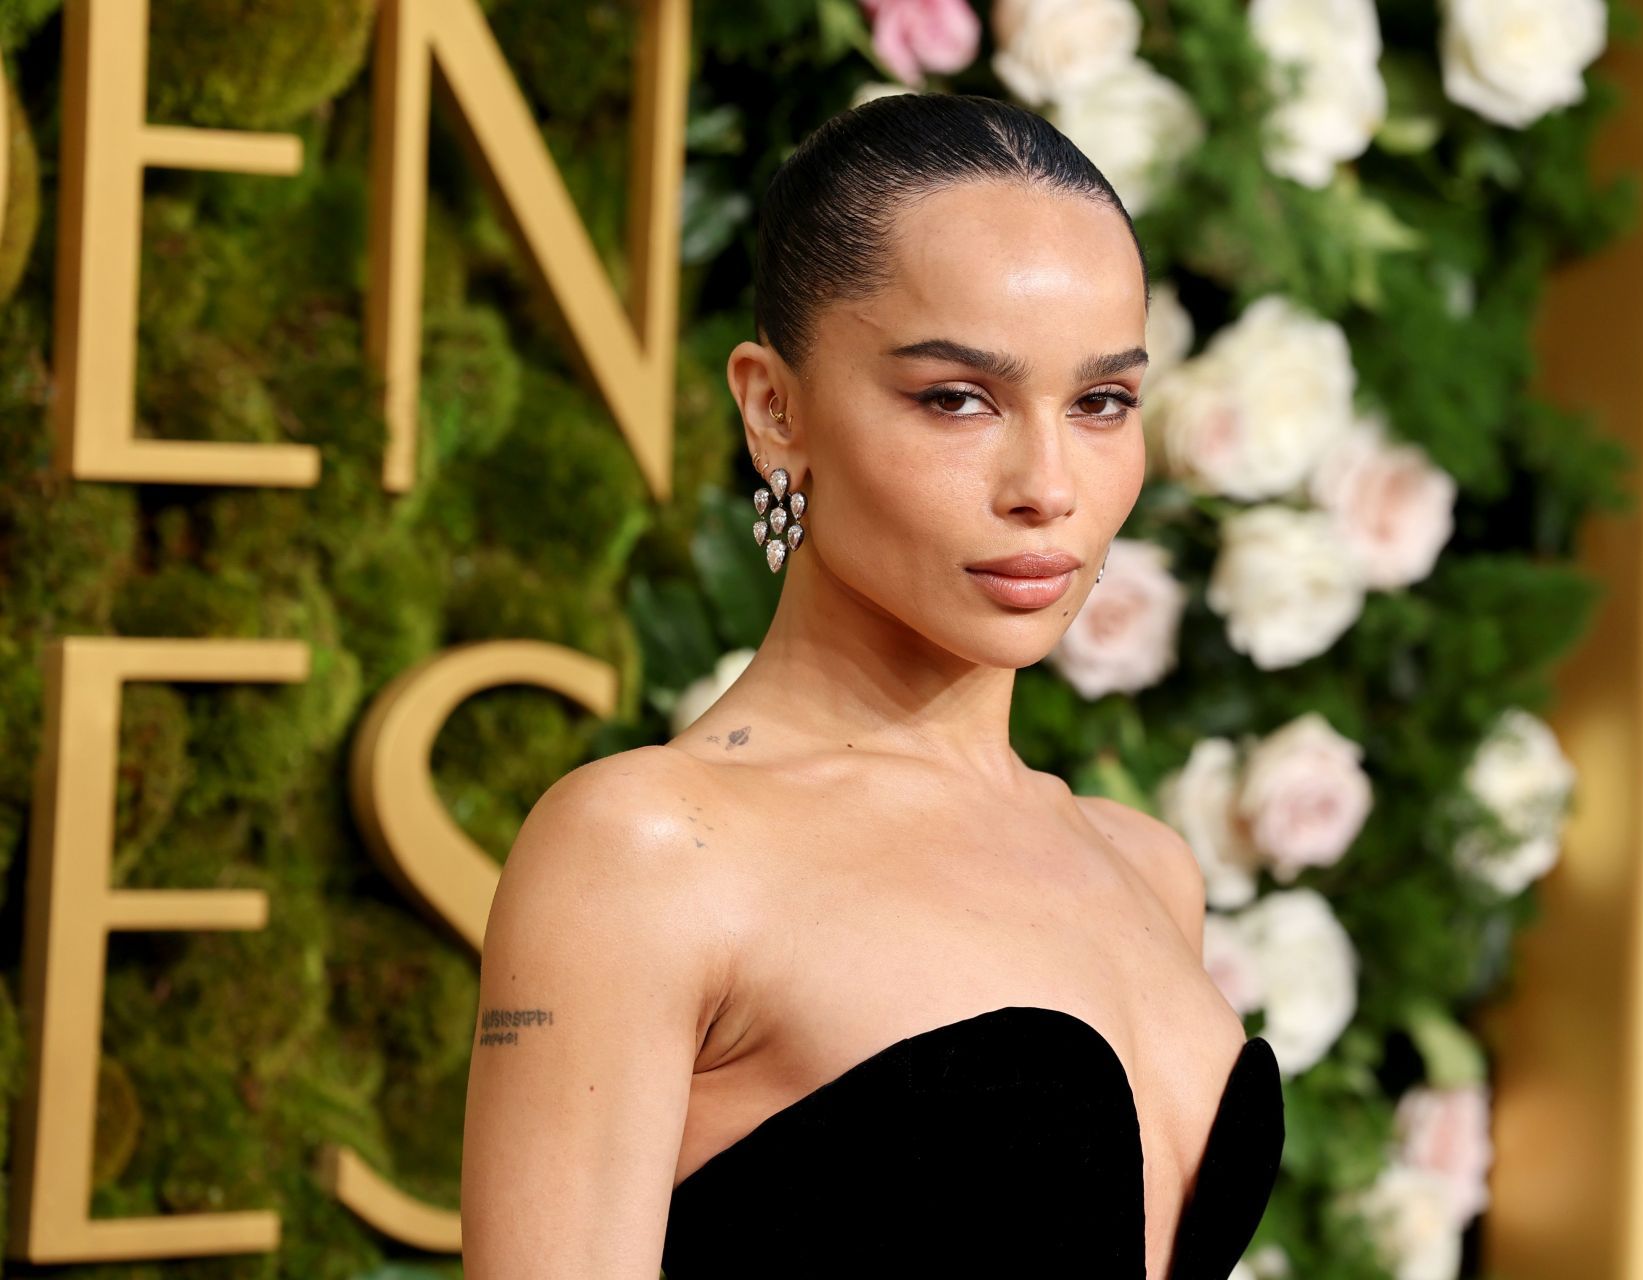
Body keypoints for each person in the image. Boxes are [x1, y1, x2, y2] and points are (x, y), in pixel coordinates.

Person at [459, 91, 1283, 1279]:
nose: (1046, 484)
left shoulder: (1148, 869)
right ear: (773, 408)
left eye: (1102, 401)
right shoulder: (646, 852)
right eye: (957, 398)